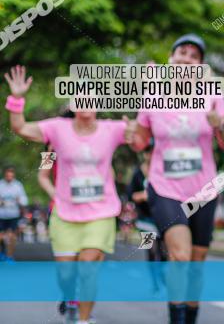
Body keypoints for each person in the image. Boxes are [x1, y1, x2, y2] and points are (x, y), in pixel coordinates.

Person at [5, 64, 137, 324]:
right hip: (64, 210)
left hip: (98, 210)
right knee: (67, 274)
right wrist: (57, 194)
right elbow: (43, 176)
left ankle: (84, 320)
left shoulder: (106, 133)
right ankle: (69, 296)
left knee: (88, 267)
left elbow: (119, 155)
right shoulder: (52, 144)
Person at [130, 34, 224, 324]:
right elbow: (140, 141)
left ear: (200, 65)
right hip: (165, 187)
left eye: (194, 56)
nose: (186, 59)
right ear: (170, 58)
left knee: (197, 263)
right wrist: (132, 134)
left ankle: (190, 316)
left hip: (204, 189)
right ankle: (175, 319)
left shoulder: (213, 95)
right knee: (180, 256)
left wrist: (219, 124)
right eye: (181, 53)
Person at [127, 144, 167, 292]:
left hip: (162, 218)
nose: (150, 155)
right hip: (144, 220)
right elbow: (131, 195)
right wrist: (142, 196)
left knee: (164, 253)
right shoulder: (138, 173)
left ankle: (162, 275)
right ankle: (155, 284)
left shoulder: (161, 170)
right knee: (150, 251)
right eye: (147, 152)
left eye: (152, 152)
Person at [0, 166, 28, 262]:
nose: (9, 177)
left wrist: (19, 201)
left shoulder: (18, 185)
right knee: (1, 237)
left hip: (13, 215)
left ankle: (9, 256)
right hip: (1, 215)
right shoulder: (0, 185)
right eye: (8, 176)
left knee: (12, 237)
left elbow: (24, 200)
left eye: (11, 176)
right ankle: (2, 253)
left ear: (13, 176)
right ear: (5, 175)